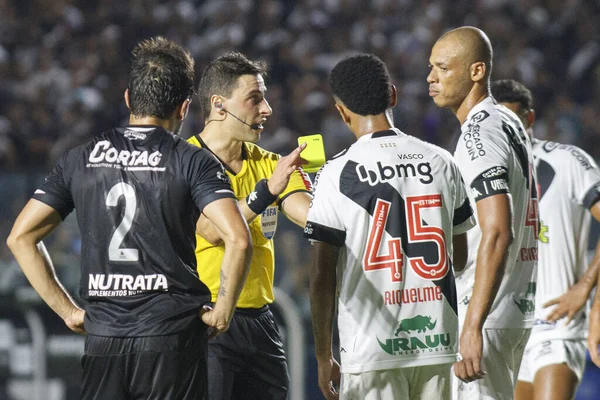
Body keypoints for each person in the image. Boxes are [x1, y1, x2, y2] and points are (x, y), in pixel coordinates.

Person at [6, 37, 253, 400]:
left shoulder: (81, 157)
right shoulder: (191, 160)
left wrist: (68, 312)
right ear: (184, 108)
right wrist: (223, 312)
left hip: (104, 339)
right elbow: (239, 237)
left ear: (128, 98)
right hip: (171, 338)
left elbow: (20, 237)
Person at [305, 53, 476, 400]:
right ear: (393, 96)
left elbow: (323, 277)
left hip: (371, 351)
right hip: (437, 344)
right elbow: (458, 259)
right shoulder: (441, 160)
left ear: (341, 111)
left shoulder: (337, 174)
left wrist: (324, 355)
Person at [189, 51, 312, 400]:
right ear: (219, 105)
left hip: (261, 323)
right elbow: (212, 229)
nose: (267, 109)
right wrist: (266, 192)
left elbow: (307, 213)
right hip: (207, 321)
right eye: (254, 99)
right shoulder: (182, 161)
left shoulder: (273, 164)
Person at [427, 27, 539, 400]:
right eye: (431, 67)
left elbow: (496, 232)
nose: (431, 78)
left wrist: (472, 325)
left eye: (442, 68)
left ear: (477, 72)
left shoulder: (479, 133)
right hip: (512, 305)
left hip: (486, 310)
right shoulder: (508, 122)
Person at [491, 79, 600, 400]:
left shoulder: (567, 161)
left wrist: (587, 291)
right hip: (507, 329)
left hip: (557, 324)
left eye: (515, 120)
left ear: (530, 119)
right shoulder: (481, 175)